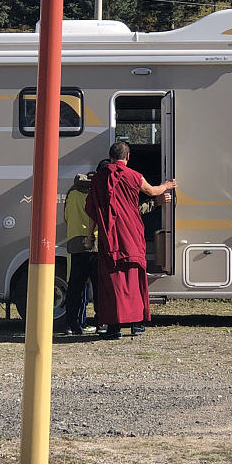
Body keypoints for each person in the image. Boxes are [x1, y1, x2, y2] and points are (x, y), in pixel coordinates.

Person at [85, 141, 176, 339]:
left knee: (111, 282)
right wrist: (167, 185)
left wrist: (90, 236)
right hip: (131, 235)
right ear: (127, 157)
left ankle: (114, 327)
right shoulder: (133, 175)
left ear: (110, 157)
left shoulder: (99, 178)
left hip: (109, 238)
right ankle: (136, 324)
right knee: (134, 279)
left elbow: (92, 211)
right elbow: (152, 191)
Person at [64, 172, 99, 334]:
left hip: (75, 243)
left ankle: (72, 324)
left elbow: (66, 217)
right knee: (99, 287)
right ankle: (101, 322)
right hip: (94, 243)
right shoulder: (97, 191)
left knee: (75, 287)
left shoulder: (72, 191)